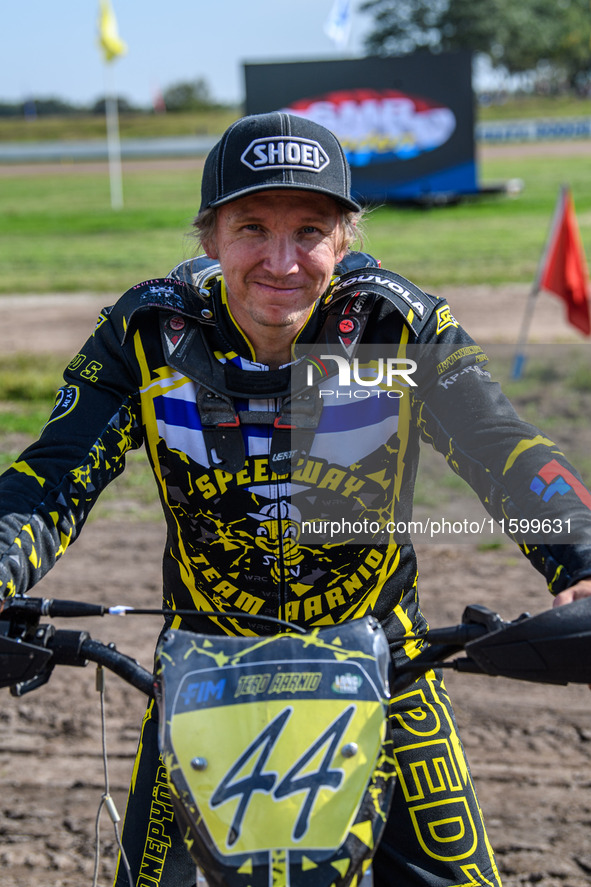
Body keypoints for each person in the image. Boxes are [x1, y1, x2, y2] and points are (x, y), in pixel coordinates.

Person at [1, 111, 591, 887]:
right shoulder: (150, 330)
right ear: (208, 236)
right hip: (204, 672)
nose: (281, 261)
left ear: (342, 240)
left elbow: (503, 448)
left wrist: (577, 557)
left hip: (383, 662)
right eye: (252, 227)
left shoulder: (392, 322)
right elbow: (52, 477)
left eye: (308, 231)